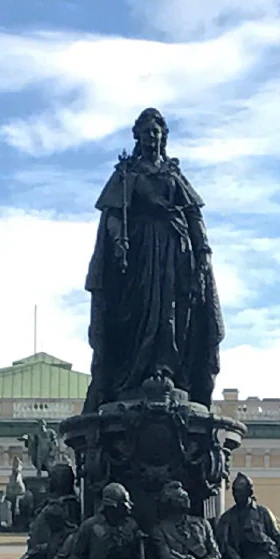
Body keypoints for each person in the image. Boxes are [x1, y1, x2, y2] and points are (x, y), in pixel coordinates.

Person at [83, 109, 223, 411]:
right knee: (136, 310)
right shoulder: (126, 174)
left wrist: (203, 252)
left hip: (175, 250)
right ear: (138, 136)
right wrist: (119, 239)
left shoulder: (173, 174)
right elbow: (112, 216)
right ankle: (133, 375)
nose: (151, 136)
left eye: (156, 131)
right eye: (146, 131)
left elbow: (193, 214)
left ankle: (169, 370)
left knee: (174, 314)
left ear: (164, 136)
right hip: (139, 252)